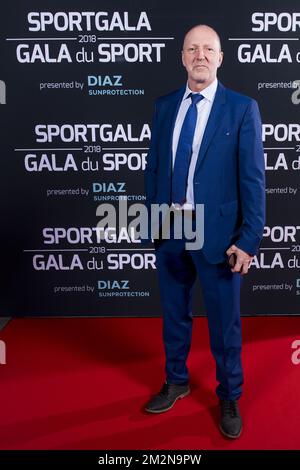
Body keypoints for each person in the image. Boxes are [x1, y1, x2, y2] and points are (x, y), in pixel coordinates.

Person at [143, 24, 265, 439]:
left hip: (218, 235)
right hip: (171, 228)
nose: (200, 56)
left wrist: (248, 239)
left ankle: (229, 394)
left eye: (208, 49)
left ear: (220, 58)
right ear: (182, 57)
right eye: (192, 49)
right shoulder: (164, 107)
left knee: (224, 323)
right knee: (174, 315)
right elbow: (154, 167)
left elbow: (253, 181)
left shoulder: (242, 108)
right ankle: (176, 380)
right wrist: (154, 223)